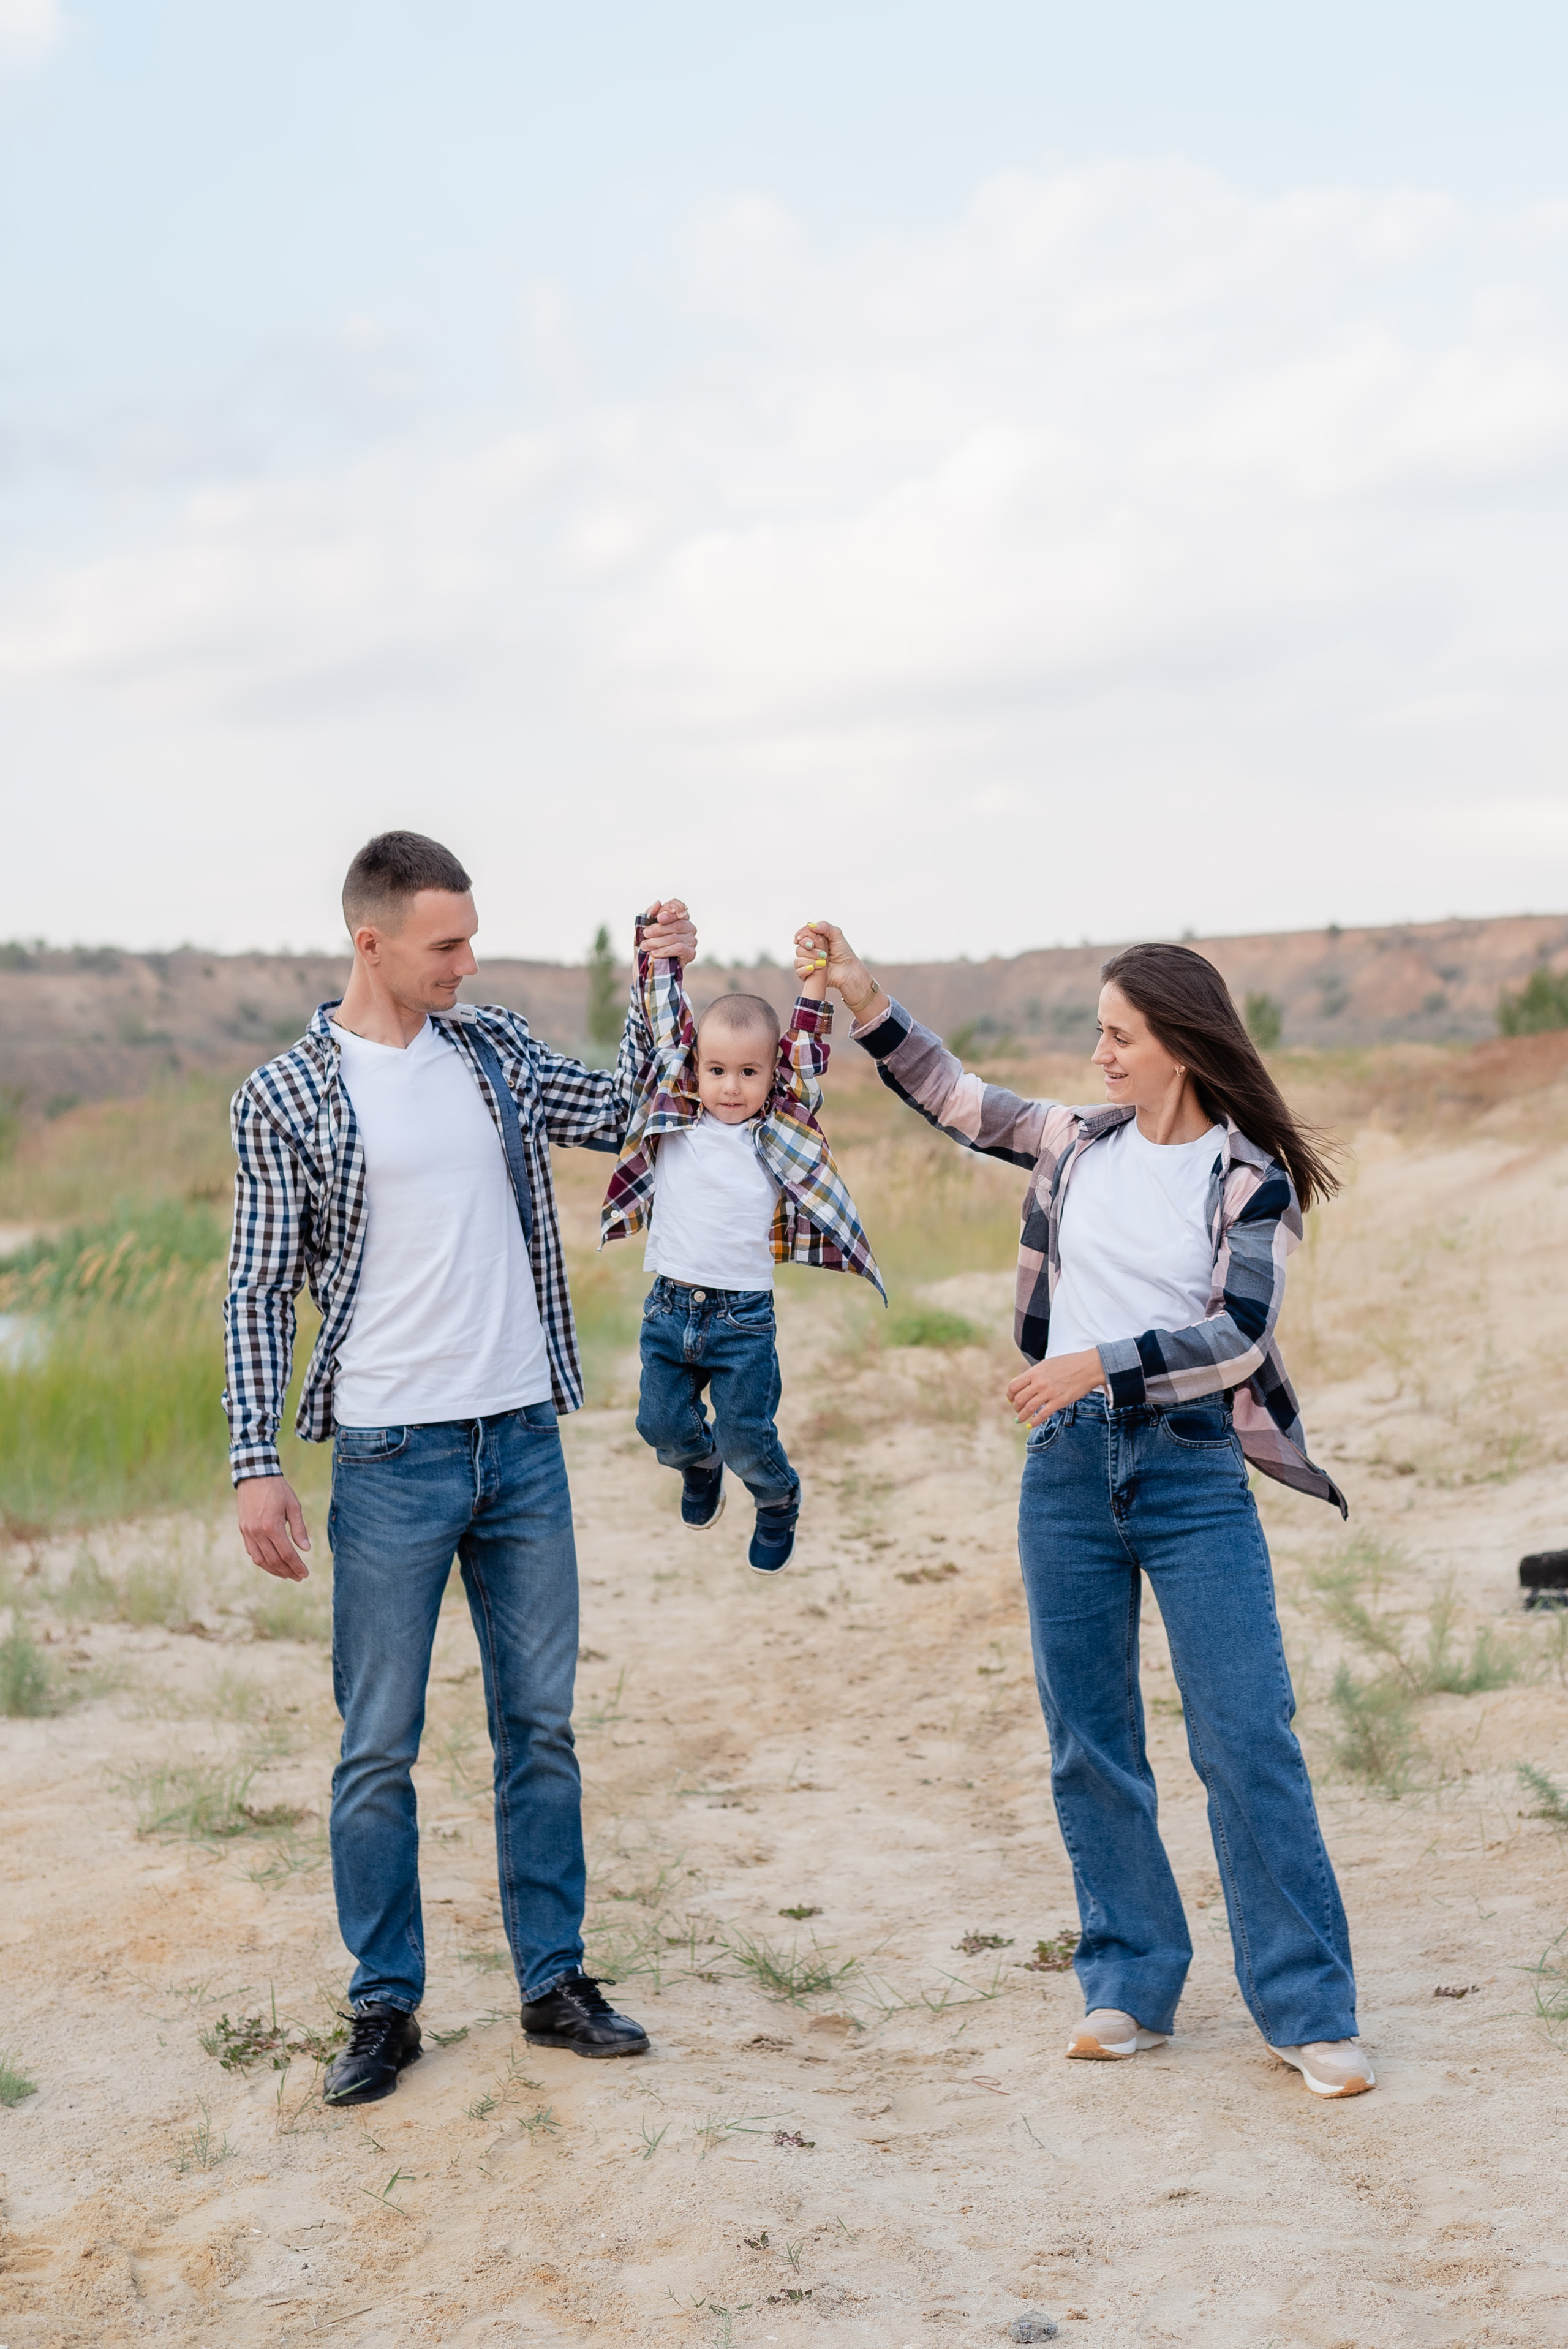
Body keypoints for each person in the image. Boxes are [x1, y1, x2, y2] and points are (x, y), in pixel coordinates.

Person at [799, 922, 1374, 2102]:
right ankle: (1129, 1980)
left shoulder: (1247, 1174)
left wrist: (1099, 1361)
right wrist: (863, 997)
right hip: (1064, 1473)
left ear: (1179, 1045)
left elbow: (1239, 1335)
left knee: (1246, 1735)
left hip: (1193, 1473)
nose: (1100, 1053)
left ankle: (1310, 2009)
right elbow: (957, 1099)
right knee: (1089, 1740)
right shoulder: (1076, 1142)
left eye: (1120, 1035)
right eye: (1099, 1034)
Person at [223, 831, 696, 2105]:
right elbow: (261, 1291)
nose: (467, 962)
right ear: (369, 942)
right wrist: (254, 1458)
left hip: (520, 1442)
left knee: (538, 1728)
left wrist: (660, 984)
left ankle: (553, 1983)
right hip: (387, 1456)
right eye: (446, 944)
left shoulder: (490, 1050)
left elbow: (629, 1111)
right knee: (377, 1742)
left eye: (471, 939)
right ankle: (385, 2004)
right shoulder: (284, 1096)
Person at [600, 913, 883, 1572]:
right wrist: (663, 960)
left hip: (742, 1320)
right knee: (660, 1426)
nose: (731, 1086)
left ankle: (776, 1497)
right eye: (718, 1070)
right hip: (669, 1306)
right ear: (695, 1069)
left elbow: (808, 1054)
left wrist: (813, 986)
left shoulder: (780, 1124)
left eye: (749, 1072)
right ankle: (698, 1467)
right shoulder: (674, 1111)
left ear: (771, 1075)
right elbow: (667, 1021)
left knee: (747, 1436)